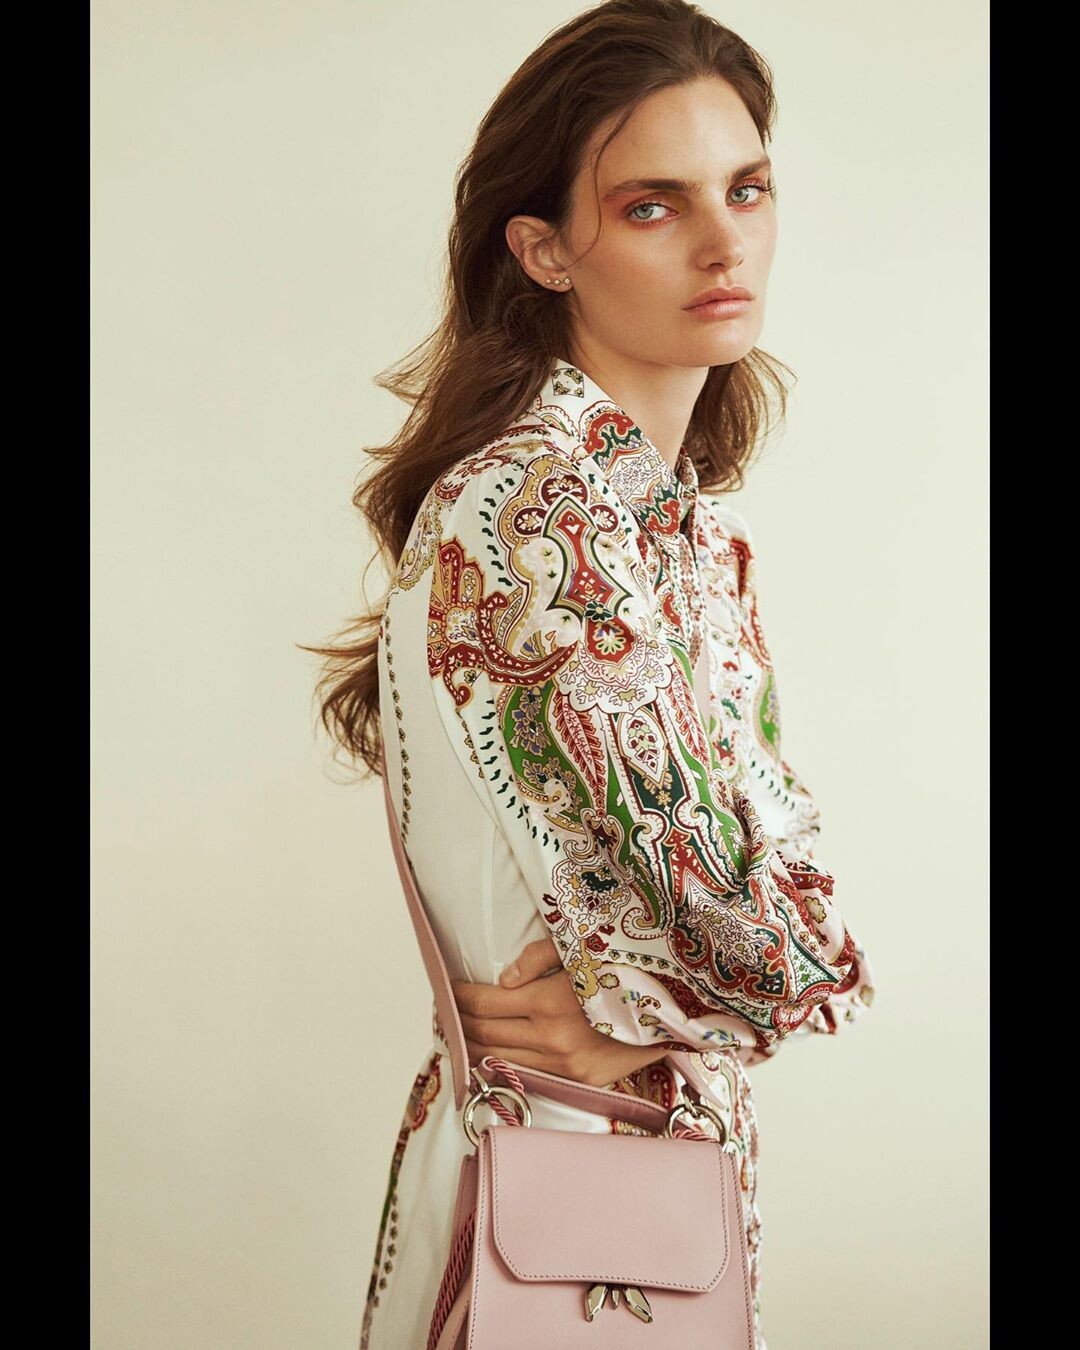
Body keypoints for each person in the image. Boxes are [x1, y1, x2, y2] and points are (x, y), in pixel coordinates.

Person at [304, 3, 876, 1347]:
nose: (725, 242)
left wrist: (675, 997)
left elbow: (756, 904)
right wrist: (712, 985)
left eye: (746, 189)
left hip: (635, 1192)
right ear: (545, 249)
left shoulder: (680, 528)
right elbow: (748, 931)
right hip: (559, 1194)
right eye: (652, 206)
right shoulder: (535, 512)